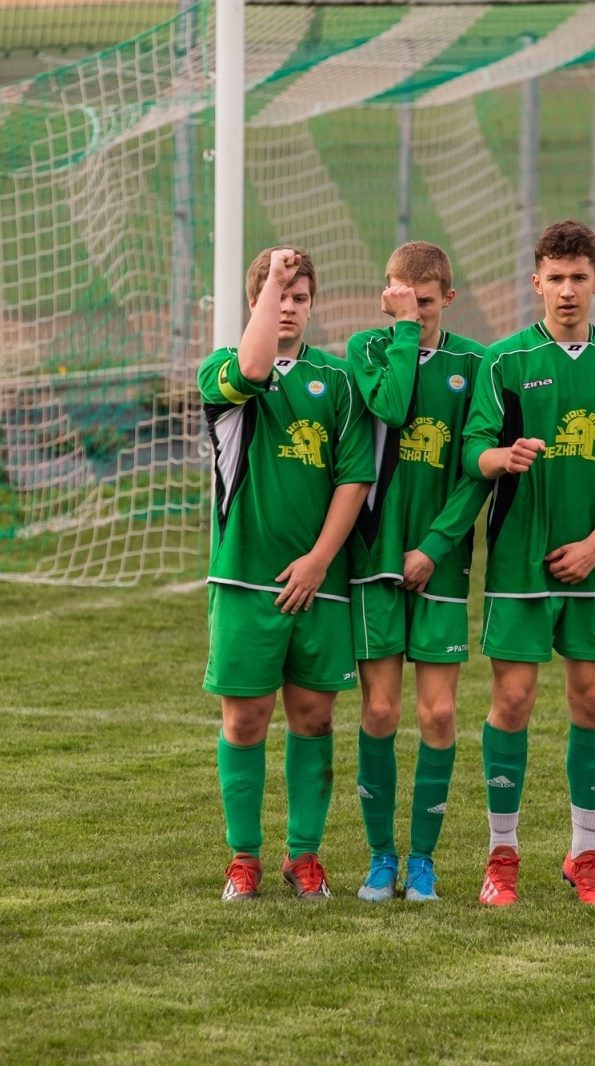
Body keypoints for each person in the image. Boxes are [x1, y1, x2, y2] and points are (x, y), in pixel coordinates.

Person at [462, 220, 595, 907]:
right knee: (511, 703)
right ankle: (502, 855)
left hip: (594, 564)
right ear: (535, 281)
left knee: (593, 700)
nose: (568, 290)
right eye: (556, 277)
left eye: (580, 277)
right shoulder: (505, 362)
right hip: (519, 563)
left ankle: (585, 855)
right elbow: (475, 447)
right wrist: (500, 458)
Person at [198, 247, 375, 902]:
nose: (290, 307)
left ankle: (305, 857)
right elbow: (251, 364)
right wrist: (271, 277)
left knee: (314, 721)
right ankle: (243, 858)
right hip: (245, 583)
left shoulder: (339, 381)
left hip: (321, 585)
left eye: (301, 297)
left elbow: (354, 477)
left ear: (313, 304)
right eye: (279, 295)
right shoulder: (223, 372)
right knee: (244, 723)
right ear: (257, 303)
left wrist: (320, 559)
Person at [343, 242, 492, 903]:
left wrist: (433, 545)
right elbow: (396, 407)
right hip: (372, 559)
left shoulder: (474, 365)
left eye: (424, 303)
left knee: (437, 716)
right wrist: (403, 332)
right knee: (378, 710)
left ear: (447, 299)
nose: (412, 311)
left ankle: (423, 862)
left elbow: (474, 471)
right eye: (399, 298)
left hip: (441, 565)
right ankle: (381, 859)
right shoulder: (367, 352)